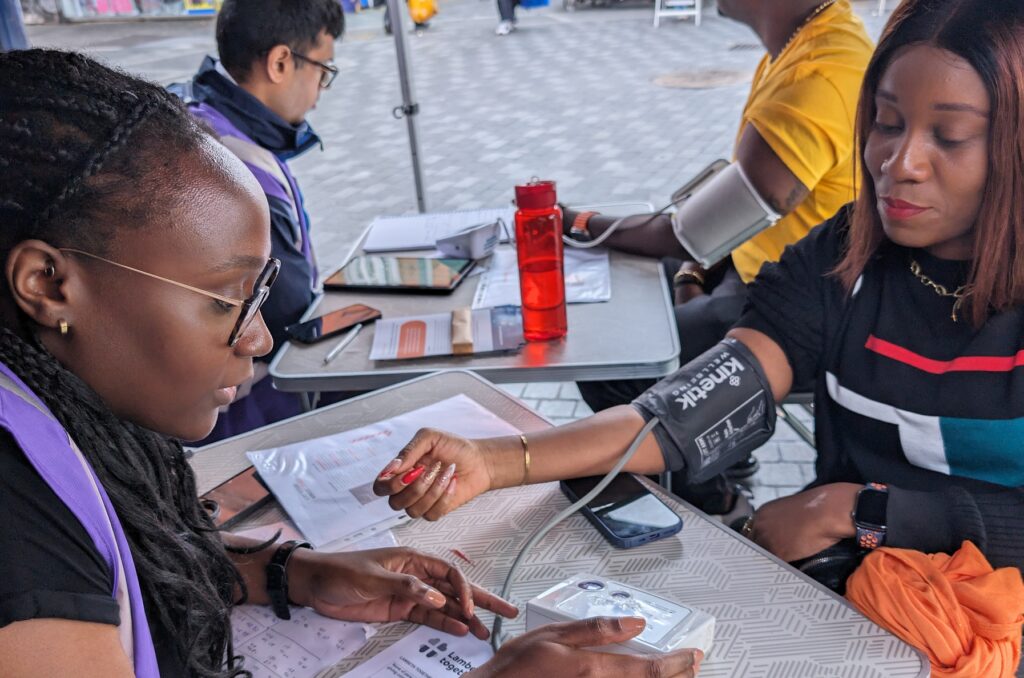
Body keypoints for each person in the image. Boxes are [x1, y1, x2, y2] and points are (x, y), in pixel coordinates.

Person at [0, 49, 702, 678]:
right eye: (223, 300)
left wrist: (287, 572)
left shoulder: (58, 418)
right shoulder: (18, 542)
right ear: (47, 284)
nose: (261, 341)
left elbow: (141, 561)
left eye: (260, 298)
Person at [374, 0, 1024, 588]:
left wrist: (858, 510)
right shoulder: (846, 256)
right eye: (886, 122)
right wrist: (493, 462)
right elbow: (696, 401)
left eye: (949, 136)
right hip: (861, 593)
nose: (899, 162)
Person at [565, 0, 872, 413]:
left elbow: (692, 234)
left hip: (801, 307)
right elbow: (724, 222)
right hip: (759, 268)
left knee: (615, 366)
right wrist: (690, 273)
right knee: (629, 277)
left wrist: (579, 222)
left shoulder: (814, 77)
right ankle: (725, 460)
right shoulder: (804, 45)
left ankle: (711, 476)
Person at [169, 0, 344, 443]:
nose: (321, 90)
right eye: (323, 70)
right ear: (281, 61)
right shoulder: (233, 165)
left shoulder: (199, 116)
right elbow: (288, 313)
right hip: (246, 416)